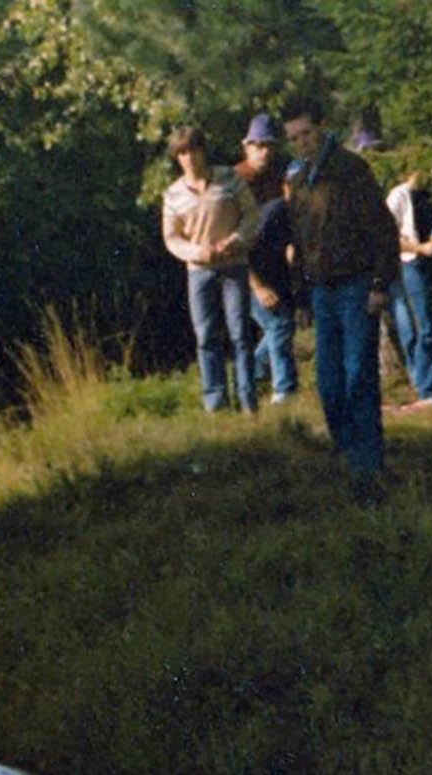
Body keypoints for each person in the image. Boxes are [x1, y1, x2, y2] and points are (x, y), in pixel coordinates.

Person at [282, 100, 402, 503]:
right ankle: (349, 453)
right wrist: (299, 296)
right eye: (294, 139)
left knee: (358, 378)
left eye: (307, 134)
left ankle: (367, 471)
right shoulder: (298, 183)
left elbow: (384, 229)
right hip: (321, 291)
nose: (302, 143)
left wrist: (380, 283)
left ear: (321, 130)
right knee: (329, 384)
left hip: (356, 286)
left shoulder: (351, 170)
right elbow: (299, 245)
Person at [161, 126, 262, 414]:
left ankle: (247, 399)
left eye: (193, 150)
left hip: (233, 265)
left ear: (202, 150)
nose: (189, 157)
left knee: (240, 333)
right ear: (177, 158)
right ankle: (215, 401)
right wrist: (197, 252)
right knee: (206, 335)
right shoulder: (173, 194)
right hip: (199, 270)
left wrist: (235, 241)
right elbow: (172, 237)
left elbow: (251, 214)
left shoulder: (228, 178)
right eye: (182, 152)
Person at [234, 113, 298, 405]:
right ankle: (284, 391)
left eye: (269, 145)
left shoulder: (277, 180)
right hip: (242, 271)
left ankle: (250, 374)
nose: (264, 151)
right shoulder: (235, 182)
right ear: (246, 146)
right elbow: (236, 241)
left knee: (283, 326)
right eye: (258, 145)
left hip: (274, 267)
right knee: (278, 325)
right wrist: (256, 286)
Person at [384, 164, 432, 401]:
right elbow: (385, 235)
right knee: (425, 326)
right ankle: (426, 387)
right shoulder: (400, 195)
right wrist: (418, 247)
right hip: (413, 263)